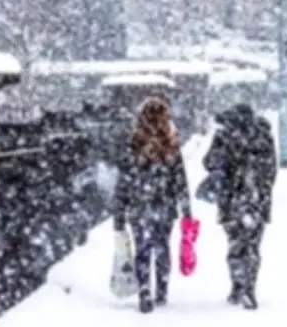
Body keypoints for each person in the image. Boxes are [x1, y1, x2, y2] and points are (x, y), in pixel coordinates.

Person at [113, 96, 192, 313]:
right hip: (164, 205)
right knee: (162, 248)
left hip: (140, 205)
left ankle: (144, 290)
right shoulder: (171, 143)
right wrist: (186, 209)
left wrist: (119, 212)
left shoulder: (134, 142)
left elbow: (124, 180)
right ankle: (162, 290)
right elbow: (180, 179)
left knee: (142, 249)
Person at [202, 104, 277, 310]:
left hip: (232, 200)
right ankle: (249, 287)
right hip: (256, 200)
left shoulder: (225, 137)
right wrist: (262, 191)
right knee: (252, 245)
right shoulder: (263, 137)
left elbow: (208, 163)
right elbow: (271, 171)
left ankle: (238, 285)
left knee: (235, 244)